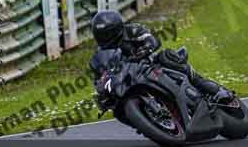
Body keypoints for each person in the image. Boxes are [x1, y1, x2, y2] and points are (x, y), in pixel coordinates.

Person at [89, 10, 233, 104]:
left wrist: (145, 49)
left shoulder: (132, 29)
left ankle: (217, 91)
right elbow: (99, 78)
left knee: (167, 57)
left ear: (117, 28)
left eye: (107, 33)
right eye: (101, 35)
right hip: (129, 79)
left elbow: (153, 40)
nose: (105, 38)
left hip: (150, 65)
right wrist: (102, 90)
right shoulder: (102, 53)